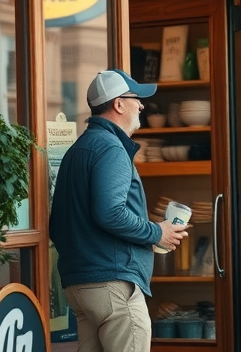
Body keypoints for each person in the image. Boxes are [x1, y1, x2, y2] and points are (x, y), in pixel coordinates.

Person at [49, 69, 190, 352]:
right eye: (136, 99)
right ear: (118, 104)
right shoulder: (111, 148)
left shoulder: (77, 150)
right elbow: (110, 213)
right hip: (112, 285)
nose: (141, 106)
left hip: (80, 286)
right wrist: (156, 232)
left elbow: (58, 224)